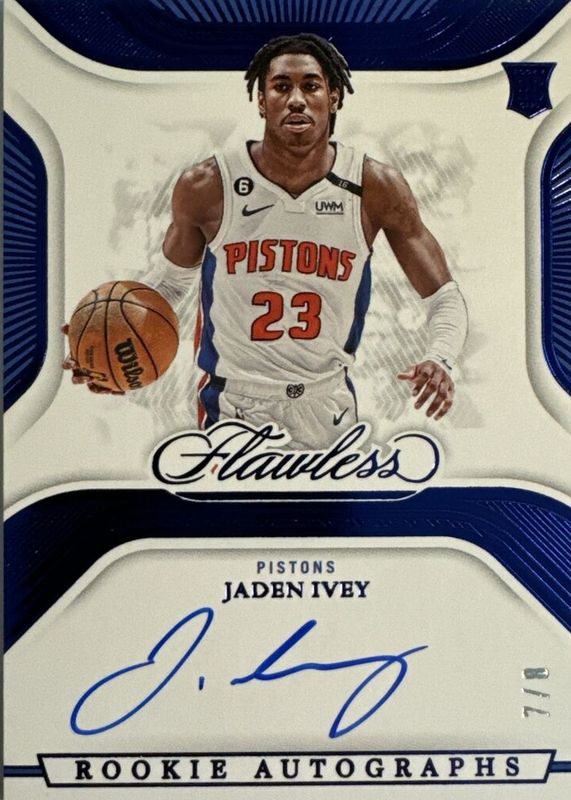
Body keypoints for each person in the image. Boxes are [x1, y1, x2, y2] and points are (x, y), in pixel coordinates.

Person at [66, 33, 468, 450]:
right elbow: (168, 286)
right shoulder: (208, 185)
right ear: (261, 100)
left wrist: (440, 357)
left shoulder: (374, 186)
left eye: (310, 86)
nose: (296, 100)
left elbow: (444, 297)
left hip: (327, 402)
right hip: (234, 405)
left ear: (333, 97)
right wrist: (105, 338)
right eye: (280, 86)